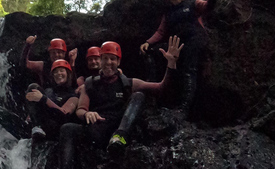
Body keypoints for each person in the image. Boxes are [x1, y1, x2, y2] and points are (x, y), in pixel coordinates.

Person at [59, 37, 183, 168]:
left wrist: (171, 64)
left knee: (139, 96)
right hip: (97, 129)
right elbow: (80, 110)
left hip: (119, 128)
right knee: (67, 128)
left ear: (118, 62)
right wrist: (87, 114)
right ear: (100, 61)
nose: (108, 62)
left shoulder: (128, 83)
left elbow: (161, 88)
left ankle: (120, 137)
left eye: (112, 59)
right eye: (105, 58)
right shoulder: (89, 84)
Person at [139, 0, 218, 115]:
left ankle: (184, 109)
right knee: (151, 52)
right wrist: (147, 43)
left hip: (195, 39)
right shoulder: (168, 13)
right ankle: (152, 87)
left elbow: (209, 5)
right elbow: (160, 31)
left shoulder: (192, 4)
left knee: (188, 69)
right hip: (177, 45)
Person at [25, 59, 79, 141]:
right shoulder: (48, 91)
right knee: (33, 87)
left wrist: (43, 99)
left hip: (56, 128)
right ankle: (35, 127)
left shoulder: (73, 95)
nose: (58, 74)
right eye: (56, 72)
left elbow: (63, 114)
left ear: (68, 74)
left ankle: (38, 129)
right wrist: (31, 114)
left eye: (61, 71)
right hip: (42, 124)